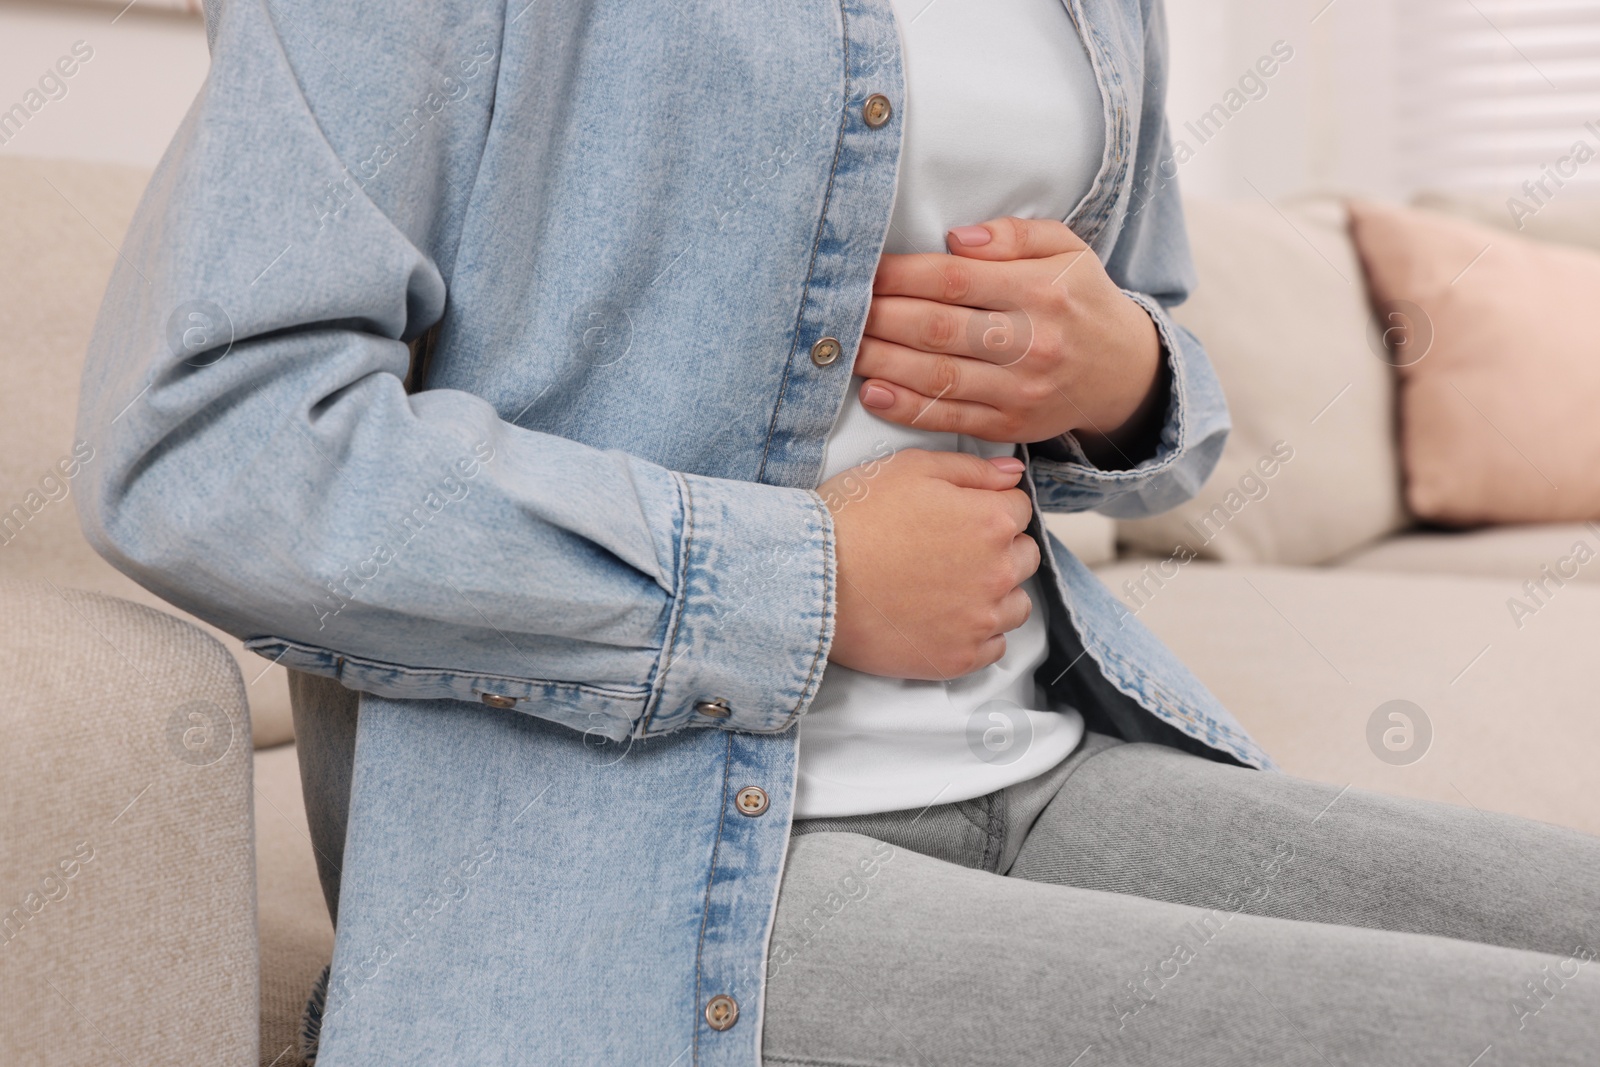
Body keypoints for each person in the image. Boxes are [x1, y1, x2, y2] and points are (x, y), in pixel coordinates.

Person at [78, 0, 1600, 1062]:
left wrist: (1116, 370)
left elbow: (1145, 359)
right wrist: (804, 580)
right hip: (631, 870)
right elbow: (209, 448)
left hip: (1044, 753)